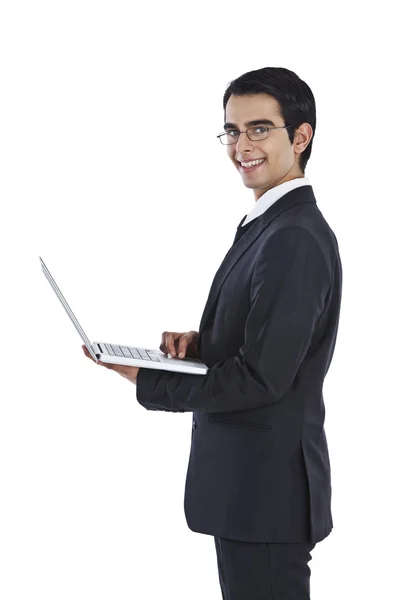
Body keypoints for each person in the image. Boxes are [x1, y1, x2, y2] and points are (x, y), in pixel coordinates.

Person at [83, 66, 343, 600]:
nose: (240, 145)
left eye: (259, 129)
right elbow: (273, 344)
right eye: (231, 130)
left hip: (266, 497)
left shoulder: (293, 236)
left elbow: (262, 379)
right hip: (253, 491)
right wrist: (203, 343)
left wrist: (147, 378)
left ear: (301, 136)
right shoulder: (270, 225)